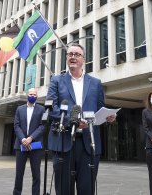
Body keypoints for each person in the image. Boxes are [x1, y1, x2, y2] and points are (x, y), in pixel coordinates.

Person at [47, 44, 116, 195]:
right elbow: (52, 109)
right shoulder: (56, 81)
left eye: (77, 54)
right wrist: (72, 121)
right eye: (70, 54)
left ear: (83, 59)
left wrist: (108, 116)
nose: (72, 57)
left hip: (88, 144)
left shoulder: (95, 83)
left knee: (87, 189)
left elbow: (100, 109)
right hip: (63, 142)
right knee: (64, 190)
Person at [13, 88, 45, 195]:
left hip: (35, 145)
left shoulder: (41, 109)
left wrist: (31, 138)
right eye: (31, 94)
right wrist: (23, 139)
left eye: (35, 94)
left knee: (36, 174)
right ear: (27, 95)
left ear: (37, 96)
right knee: (19, 174)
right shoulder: (19, 109)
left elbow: (42, 126)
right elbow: (16, 126)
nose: (33, 96)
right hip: (20, 145)